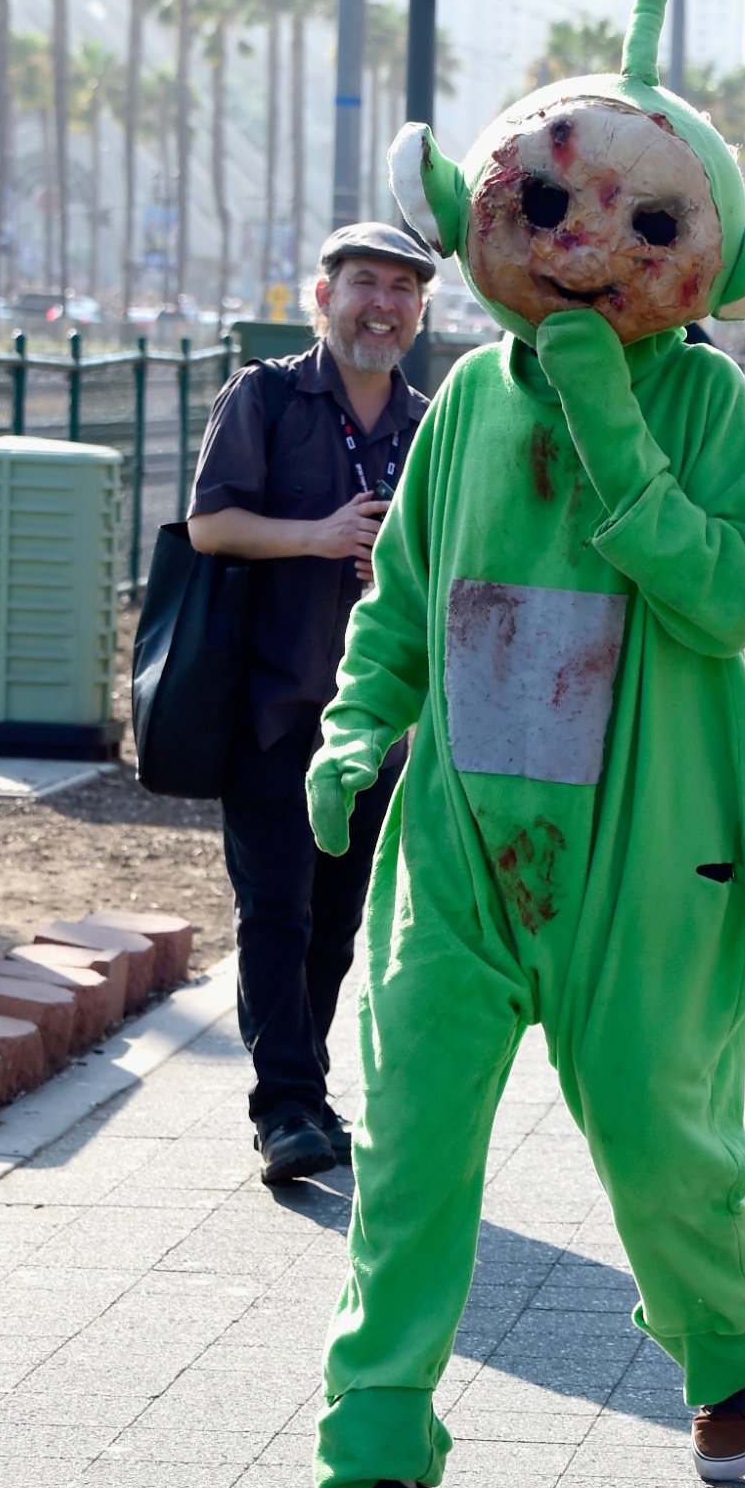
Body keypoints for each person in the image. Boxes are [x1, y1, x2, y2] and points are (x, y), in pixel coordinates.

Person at [269, 0, 745, 1488]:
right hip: (465, 852)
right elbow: (409, 602)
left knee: (660, 1142)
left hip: (649, 860)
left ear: (702, 251)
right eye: (558, 205)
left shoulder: (704, 398)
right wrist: (358, 738)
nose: (587, 245)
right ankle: (378, 1464)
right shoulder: (460, 411)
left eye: (644, 228)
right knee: (410, 1147)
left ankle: (732, 1337)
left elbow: (724, 592)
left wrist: (612, 418)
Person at [186, 223, 434, 1185]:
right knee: (275, 913)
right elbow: (210, 525)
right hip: (272, 707)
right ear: (321, 297)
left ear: (420, 311)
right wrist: (321, 536)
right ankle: (283, 1104)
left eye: (402, 289)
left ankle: (306, 1088)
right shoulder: (268, 396)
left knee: (337, 922)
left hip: (380, 723)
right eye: (364, 283)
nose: (383, 303)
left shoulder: (429, 425)